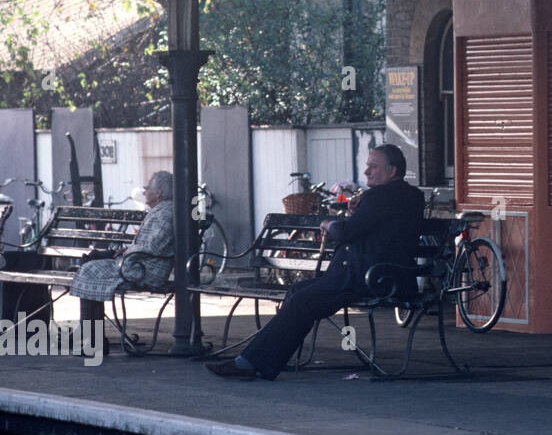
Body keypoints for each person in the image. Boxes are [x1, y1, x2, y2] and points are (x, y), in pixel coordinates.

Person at [206, 145, 424, 381]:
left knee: (302, 299)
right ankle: (265, 360)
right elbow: (376, 230)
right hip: (386, 276)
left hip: (366, 279)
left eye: (373, 166)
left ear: (392, 171)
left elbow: (347, 233)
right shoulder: (410, 195)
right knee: (299, 292)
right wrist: (357, 212)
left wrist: (330, 225)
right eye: (367, 165)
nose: (366, 171)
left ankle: (250, 362)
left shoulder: (380, 196)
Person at [70, 171, 175, 335]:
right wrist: (127, 250)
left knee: (89, 269)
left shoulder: (166, 213)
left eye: (147, 188)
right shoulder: (162, 210)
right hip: (140, 265)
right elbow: (153, 244)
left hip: (145, 270)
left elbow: (156, 246)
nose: (144, 191)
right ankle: (89, 334)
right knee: (90, 268)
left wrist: (130, 250)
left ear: (158, 193)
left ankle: (89, 335)